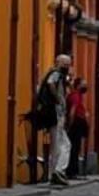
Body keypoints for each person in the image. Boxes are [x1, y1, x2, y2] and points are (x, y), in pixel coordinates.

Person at [39, 54, 72, 186]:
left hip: (55, 113)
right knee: (63, 144)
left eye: (68, 64)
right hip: (56, 113)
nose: (67, 67)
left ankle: (53, 173)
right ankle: (58, 171)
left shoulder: (55, 73)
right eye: (65, 64)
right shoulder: (56, 73)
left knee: (57, 145)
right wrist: (58, 98)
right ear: (58, 62)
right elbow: (50, 83)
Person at [66, 77, 90, 179]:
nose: (85, 86)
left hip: (77, 123)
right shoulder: (75, 95)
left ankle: (72, 172)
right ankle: (72, 172)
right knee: (74, 148)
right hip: (76, 123)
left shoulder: (78, 95)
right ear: (78, 85)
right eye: (84, 84)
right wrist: (70, 124)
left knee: (75, 147)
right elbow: (72, 111)